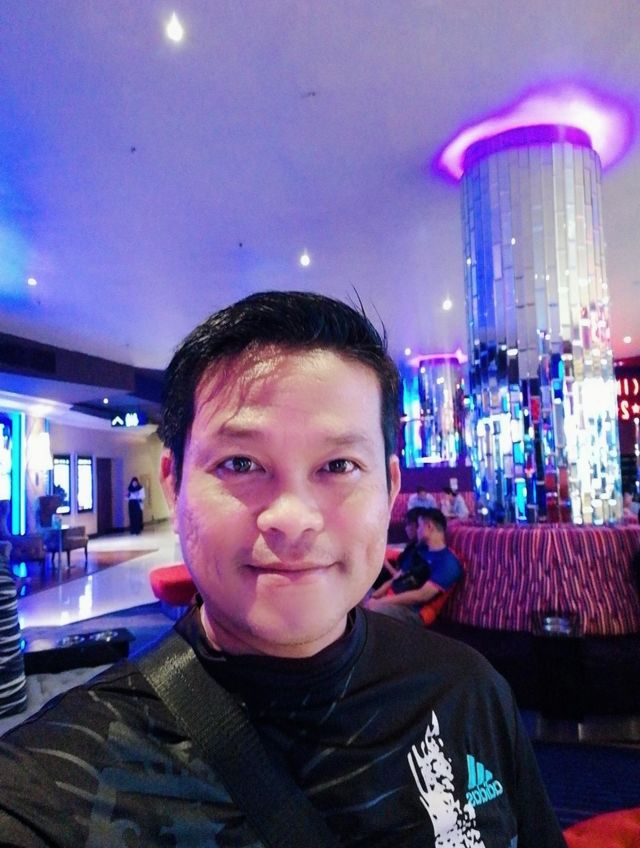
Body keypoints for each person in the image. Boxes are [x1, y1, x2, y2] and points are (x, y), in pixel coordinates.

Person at [0, 291, 565, 847]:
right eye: (240, 463)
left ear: (391, 487)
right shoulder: (53, 785)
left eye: (339, 465)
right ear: (173, 485)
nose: (292, 519)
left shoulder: (470, 693)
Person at [368, 507, 462, 625]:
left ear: (429, 527)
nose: (417, 530)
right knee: (354, 596)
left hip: (413, 611)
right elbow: (399, 576)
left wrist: (381, 602)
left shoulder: (448, 562)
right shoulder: (420, 550)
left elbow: (421, 595)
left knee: (370, 612)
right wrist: (376, 595)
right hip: (392, 599)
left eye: (419, 526)